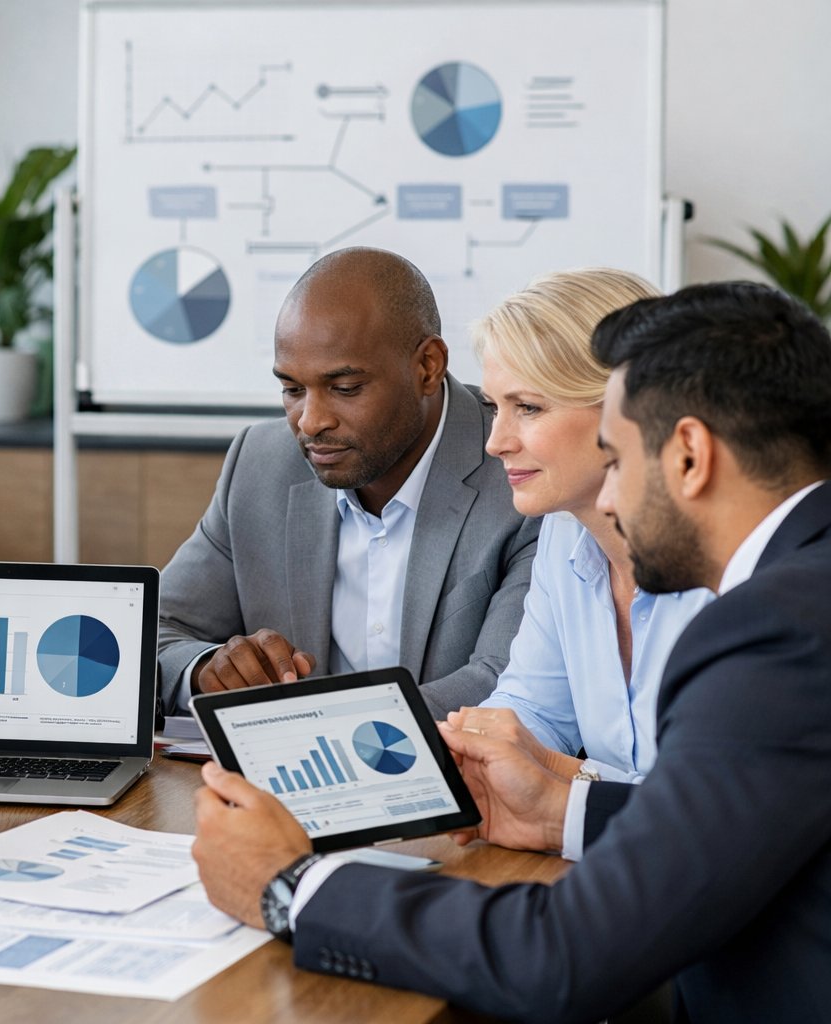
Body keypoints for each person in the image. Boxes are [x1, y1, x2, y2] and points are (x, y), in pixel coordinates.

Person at [190, 281, 831, 1022]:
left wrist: (291, 887)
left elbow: (566, 956)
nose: (609, 502)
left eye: (618, 457)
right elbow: (723, 828)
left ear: (689, 454)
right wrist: (562, 813)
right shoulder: (797, 590)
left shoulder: (778, 631)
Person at [158, 247, 539, 717]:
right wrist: (206, 669)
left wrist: (315, 724)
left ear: (427, 366)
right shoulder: (259, 464)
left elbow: (508, 682)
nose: (310, 421)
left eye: (345, 389)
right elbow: (153, 633)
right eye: (292, 390)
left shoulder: (521, 469)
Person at [450, 269, 712, 783]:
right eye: (494, 408)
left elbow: (713, 799)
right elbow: (534, 706)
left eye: (528, 407)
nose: (496, 442)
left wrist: (558, 776)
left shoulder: (730, 560)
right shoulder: (565, 530)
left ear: (628, 409)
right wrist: (465, 757)